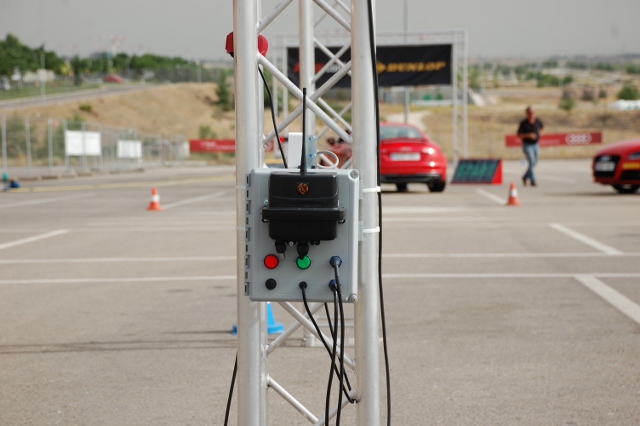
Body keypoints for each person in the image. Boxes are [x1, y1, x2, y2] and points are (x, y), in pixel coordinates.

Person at [517, 106, 544, 186]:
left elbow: (542, 127)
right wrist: (529, 135)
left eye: (533, 113)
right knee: (531, 161)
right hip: (527, 145)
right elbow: (519, 135)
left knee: (535, 162)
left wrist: (540, 133)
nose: (532, 114)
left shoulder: (537, 121)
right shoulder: (524, 123)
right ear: (527, 114)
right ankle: (533, 180)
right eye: (530, 113)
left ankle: (525, 176)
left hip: (535, 144)